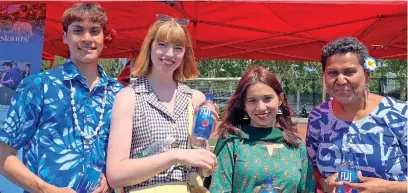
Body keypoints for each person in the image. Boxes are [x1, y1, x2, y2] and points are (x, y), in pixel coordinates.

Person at [0, 3, 123, 193]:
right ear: (65, 36)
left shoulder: (119, 94)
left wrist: (113, 179)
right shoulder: (38, 86)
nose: (87, 38)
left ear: (104, 38)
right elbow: (3, 154)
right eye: (78, 30)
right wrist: (45, 189)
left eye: (94, 31)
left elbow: (127, 159)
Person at [106, 14, 218, 193]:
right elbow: (116, 175)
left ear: (185, 53)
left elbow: (205, 170)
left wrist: (199, 142)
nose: (169, 54)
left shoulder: (196, 99)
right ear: (149, 46)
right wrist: (175, 156)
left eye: (178, 48)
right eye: (162, 45)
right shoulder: (128, 97)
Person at [306, 37, 407, 193]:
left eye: (350, 72)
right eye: (332, 73)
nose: (340, 80)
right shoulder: (318, 116)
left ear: (367, 75)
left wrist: (388, 188)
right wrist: (323, 182)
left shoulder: (399, 114)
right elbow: (311, 168)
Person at [209, 66, 315, 193]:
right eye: (252, 100)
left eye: (267, 98)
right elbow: (219, 189)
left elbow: (307, 189)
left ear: (280, 99)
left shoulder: (296, 146)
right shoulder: (232, 143)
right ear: (244, 104)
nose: (261, 107)